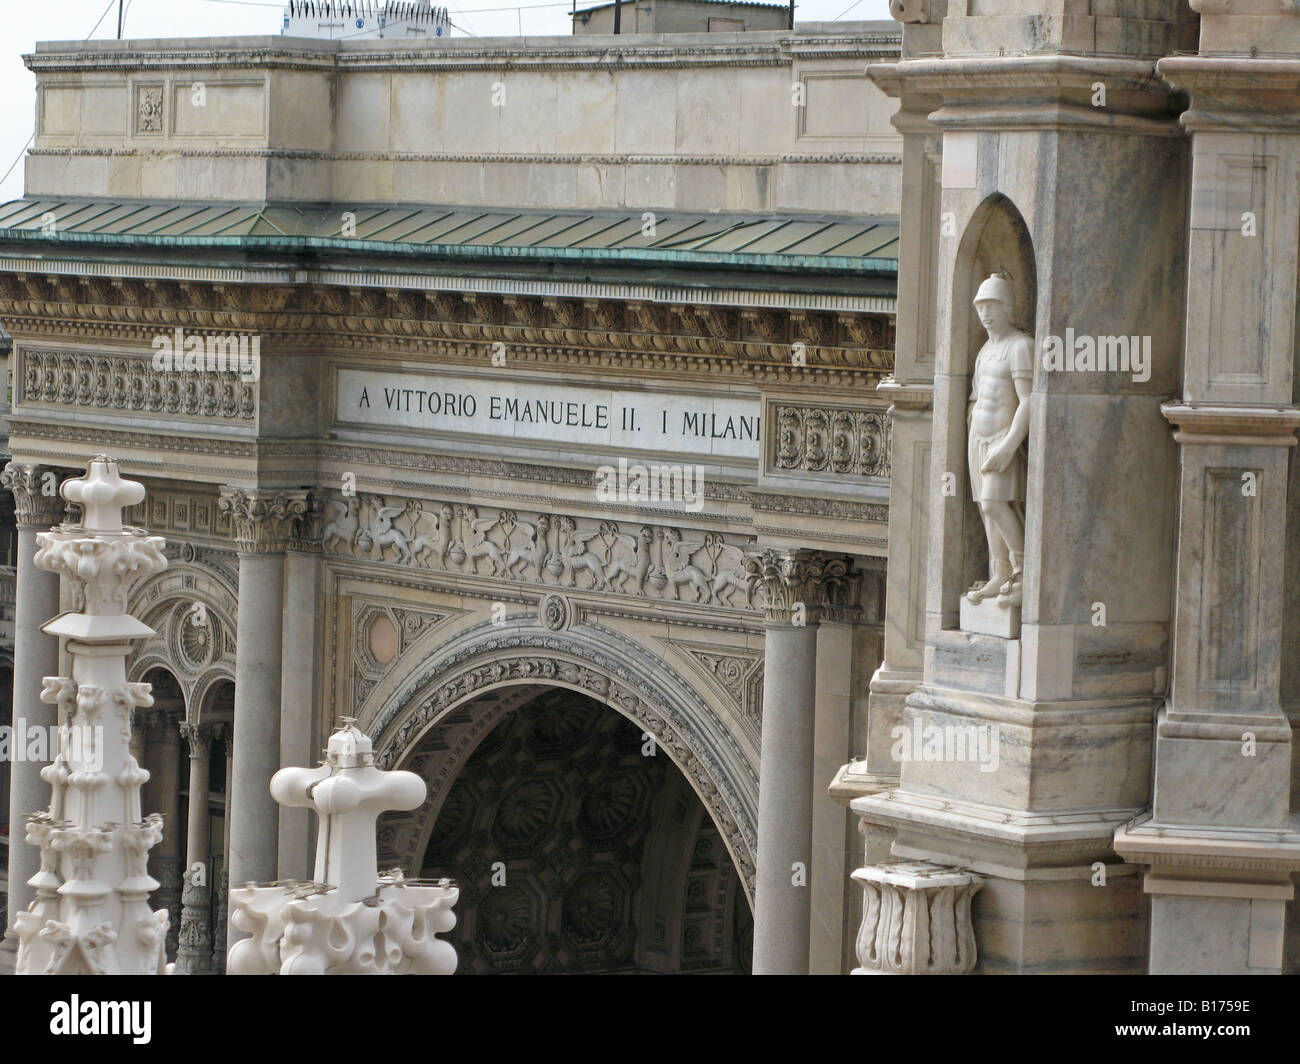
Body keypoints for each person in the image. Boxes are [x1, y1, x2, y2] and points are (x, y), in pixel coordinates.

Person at [965, 273, 1032, 609]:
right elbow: (977, 397)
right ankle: (1000, 572)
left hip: (1003, 439)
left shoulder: (1020, 346)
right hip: (977, 437)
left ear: (1007, 307)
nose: (986, 313)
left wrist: (1008, 446)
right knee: (985, 509)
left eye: (992, 306)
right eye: (981, 307)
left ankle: (1023, 573)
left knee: (995, 503)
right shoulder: (985, 350)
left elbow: (1029, 400)